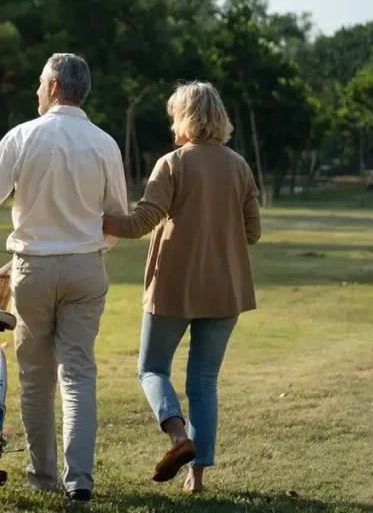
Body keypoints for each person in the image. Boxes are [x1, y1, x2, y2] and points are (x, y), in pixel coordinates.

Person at [0, 53, 128, 503]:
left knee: (36, 377)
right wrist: (90, 247)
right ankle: (80, 482)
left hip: (33, 269)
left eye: (39, 83)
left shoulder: (24, 137)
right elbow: (116, 219)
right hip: (86, 269)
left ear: (53, 87)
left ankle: (43, 474)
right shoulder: (105, 144)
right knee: (79, 373)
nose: (36, 90)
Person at [102, 80, 261, 493]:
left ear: (186, 118)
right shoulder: (240, 166)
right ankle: (197, 480)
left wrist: (94, 219)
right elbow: (254, 232)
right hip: (225, 290)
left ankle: (177, 437)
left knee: (151, 368)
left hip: (173, 287)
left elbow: (140, 223)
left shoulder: (171, 164)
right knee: (204, 382)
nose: (171, 123)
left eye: (174, 115)